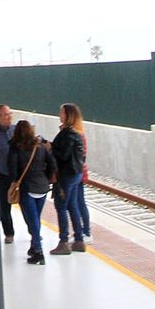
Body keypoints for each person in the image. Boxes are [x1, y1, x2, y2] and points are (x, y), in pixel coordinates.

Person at [7, 121, 56, 265]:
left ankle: (39, 252)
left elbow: (13, 168)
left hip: (27, 188)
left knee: (32, 220)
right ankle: (34, 247)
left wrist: (15, 181)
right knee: (35, 219)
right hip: (42, 188)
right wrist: (45, 178)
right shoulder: (40, 146)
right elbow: (52, 164)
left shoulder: (15, 148)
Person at [49, 103, 90, 255]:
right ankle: (79, 240)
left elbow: (63, 155)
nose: (59, 115)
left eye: (62, 112)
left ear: (68, 115)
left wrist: (50, 148)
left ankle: (64, 241)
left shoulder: (67, 133)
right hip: (76, 173)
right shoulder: (77, 133)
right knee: (72, 205)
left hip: (66, 175)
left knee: (61, 206)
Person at [0, 104, 16, 244]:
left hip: (19, 176)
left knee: (28, 205)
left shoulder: (17, 130)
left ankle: (34, 231)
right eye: (5, 115)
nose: (8, 117)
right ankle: (9, 233)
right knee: (4, 206)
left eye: (10, 114)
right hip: (3, 175)